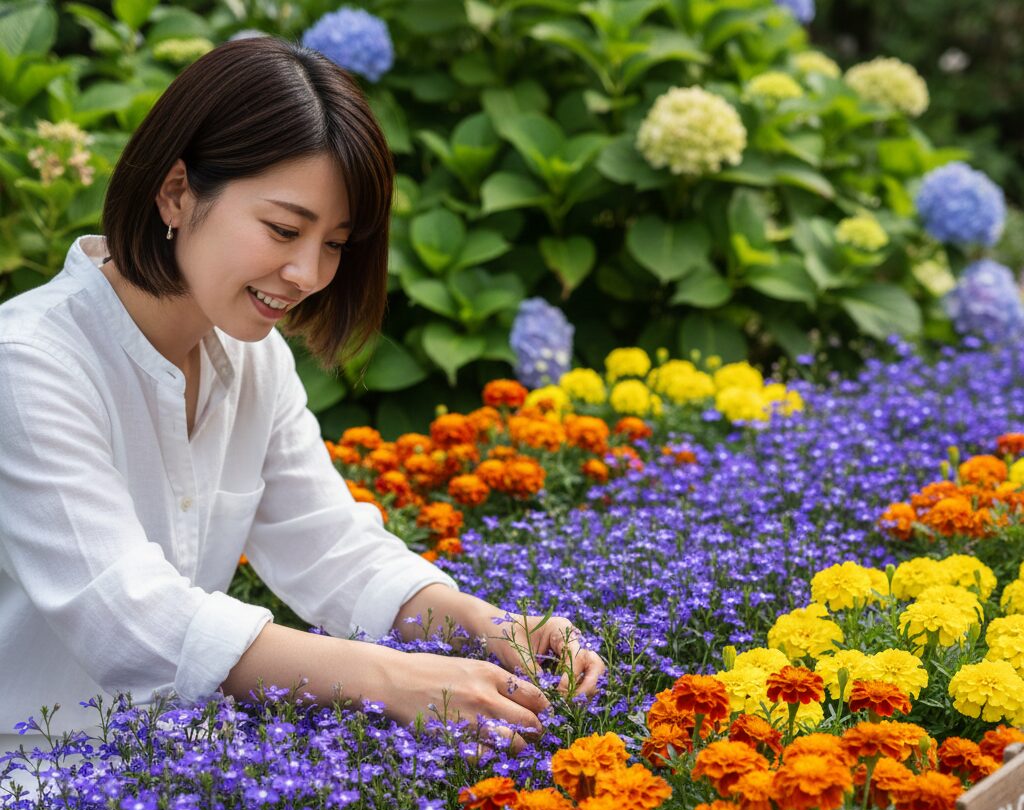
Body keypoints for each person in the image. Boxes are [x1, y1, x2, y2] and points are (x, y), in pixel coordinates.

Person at [0, 36, 604, 758]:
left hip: (170, 768)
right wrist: (388, 679)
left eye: (336, 243)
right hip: (28, 786)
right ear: (175, 191)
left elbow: (331, 547)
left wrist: (487, 625)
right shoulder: (30, 362)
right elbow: (127, 616)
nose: (308, 273)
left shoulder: (251, 358)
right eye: (284, 229)